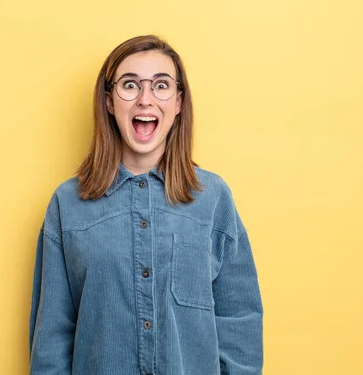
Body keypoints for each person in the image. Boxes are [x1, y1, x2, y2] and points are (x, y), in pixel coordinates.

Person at [29, 35, 263, 375]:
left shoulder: (213, 199)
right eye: (130, 85)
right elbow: (51, 338)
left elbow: (239, 324)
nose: (145, 100)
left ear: (179, 101)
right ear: (109, 101)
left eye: (161, 85)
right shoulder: (67, 204)